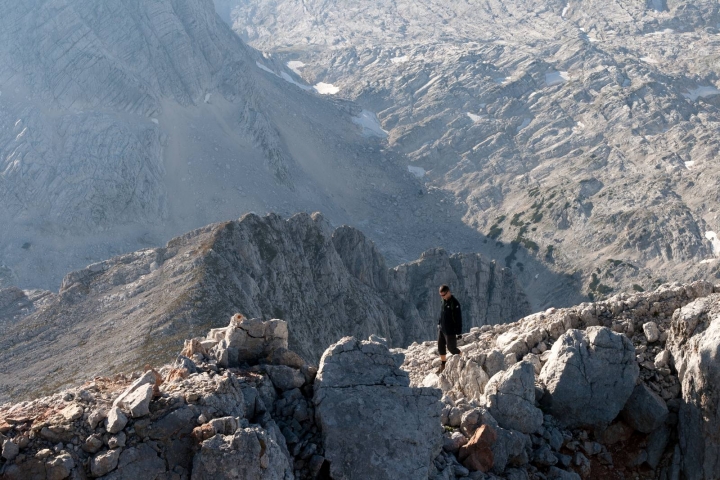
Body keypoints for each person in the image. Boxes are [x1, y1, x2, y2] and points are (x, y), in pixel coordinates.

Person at [436, 284, 462, 374]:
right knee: (440, 347)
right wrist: (439, 323)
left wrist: (458, 332)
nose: (442, 297)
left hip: (450, 331)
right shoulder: (443, 301)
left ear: (448, 292)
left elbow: (458, 318)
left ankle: (463, 358)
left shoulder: (454, 303)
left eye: (443, 295)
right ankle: (443, 365)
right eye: (440, 295)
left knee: (451, 348)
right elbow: (441, 313)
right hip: (442, 329)